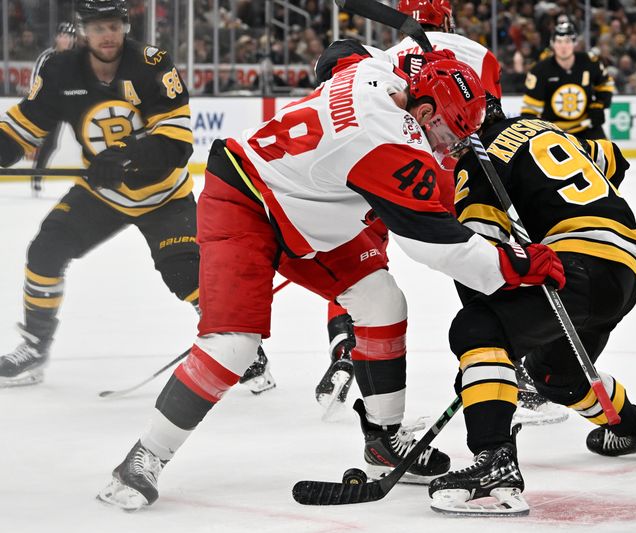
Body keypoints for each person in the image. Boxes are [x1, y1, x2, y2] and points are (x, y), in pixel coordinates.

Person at [97, 49, 565, 511]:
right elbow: (435, 243)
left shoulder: (377, 71)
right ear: (422, 110)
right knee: (234, 345)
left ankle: (383, 441)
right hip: (245, 198)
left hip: (307, 207)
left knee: (382, 302)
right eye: (447, 131)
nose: (450, 146)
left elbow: (337, 55)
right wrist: (514, 266)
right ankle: (144, 457)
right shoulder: (391, 144)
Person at [0, 0, 272, 394]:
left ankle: (244, 350)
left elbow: (177, 144)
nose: (106, 35)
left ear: (125, 26)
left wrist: (124, 156)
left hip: (164, 195)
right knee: (45, 251)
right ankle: (35, 346)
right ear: (83, 30)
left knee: (186, 276)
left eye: (112, 26)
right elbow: (23, 128)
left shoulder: (152, 64)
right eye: (97, 28)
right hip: (104, 194)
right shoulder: (60, 71)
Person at [428, 99, 636, 516]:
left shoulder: (477, 164)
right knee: (556, 376)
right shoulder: (542, 129)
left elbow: (479, 264)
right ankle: (635, 429)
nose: (439, 138)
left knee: (475, 328)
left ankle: (494, 461)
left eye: (439, 126)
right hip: (624, 271)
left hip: (573, 270)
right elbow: (615, 159)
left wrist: (484, 360)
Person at [310, 0, 509, 418]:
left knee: (361, 258)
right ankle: (498, 361)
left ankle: (346, 340)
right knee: (470, 257)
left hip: (384, 169)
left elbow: (338, 65)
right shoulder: (476, 54)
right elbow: (490, 125)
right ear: (448, 16)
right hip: (445, 177)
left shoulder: (392, 55)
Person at [521, 21, 614, 140]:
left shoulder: (590, 62)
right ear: (552, 44)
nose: (563, 46)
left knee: (606, 155)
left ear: (574, 43)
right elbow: (530, 109)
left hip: (587, 128)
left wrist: (599, 104)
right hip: (554, 133)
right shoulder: (540, 70)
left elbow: (605, 84)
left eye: (567, 41)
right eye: (559, 41)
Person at [30, 21, 77, 196]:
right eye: (62, 36)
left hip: (72, 104)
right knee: (50, 143)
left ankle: (100, 175)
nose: (65, 40)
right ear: (57, 37)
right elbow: (35, 83)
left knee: (88, 135)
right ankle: (37, 176)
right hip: (51, 106)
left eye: (69, 37)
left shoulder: (76, 58)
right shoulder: (46, 57)